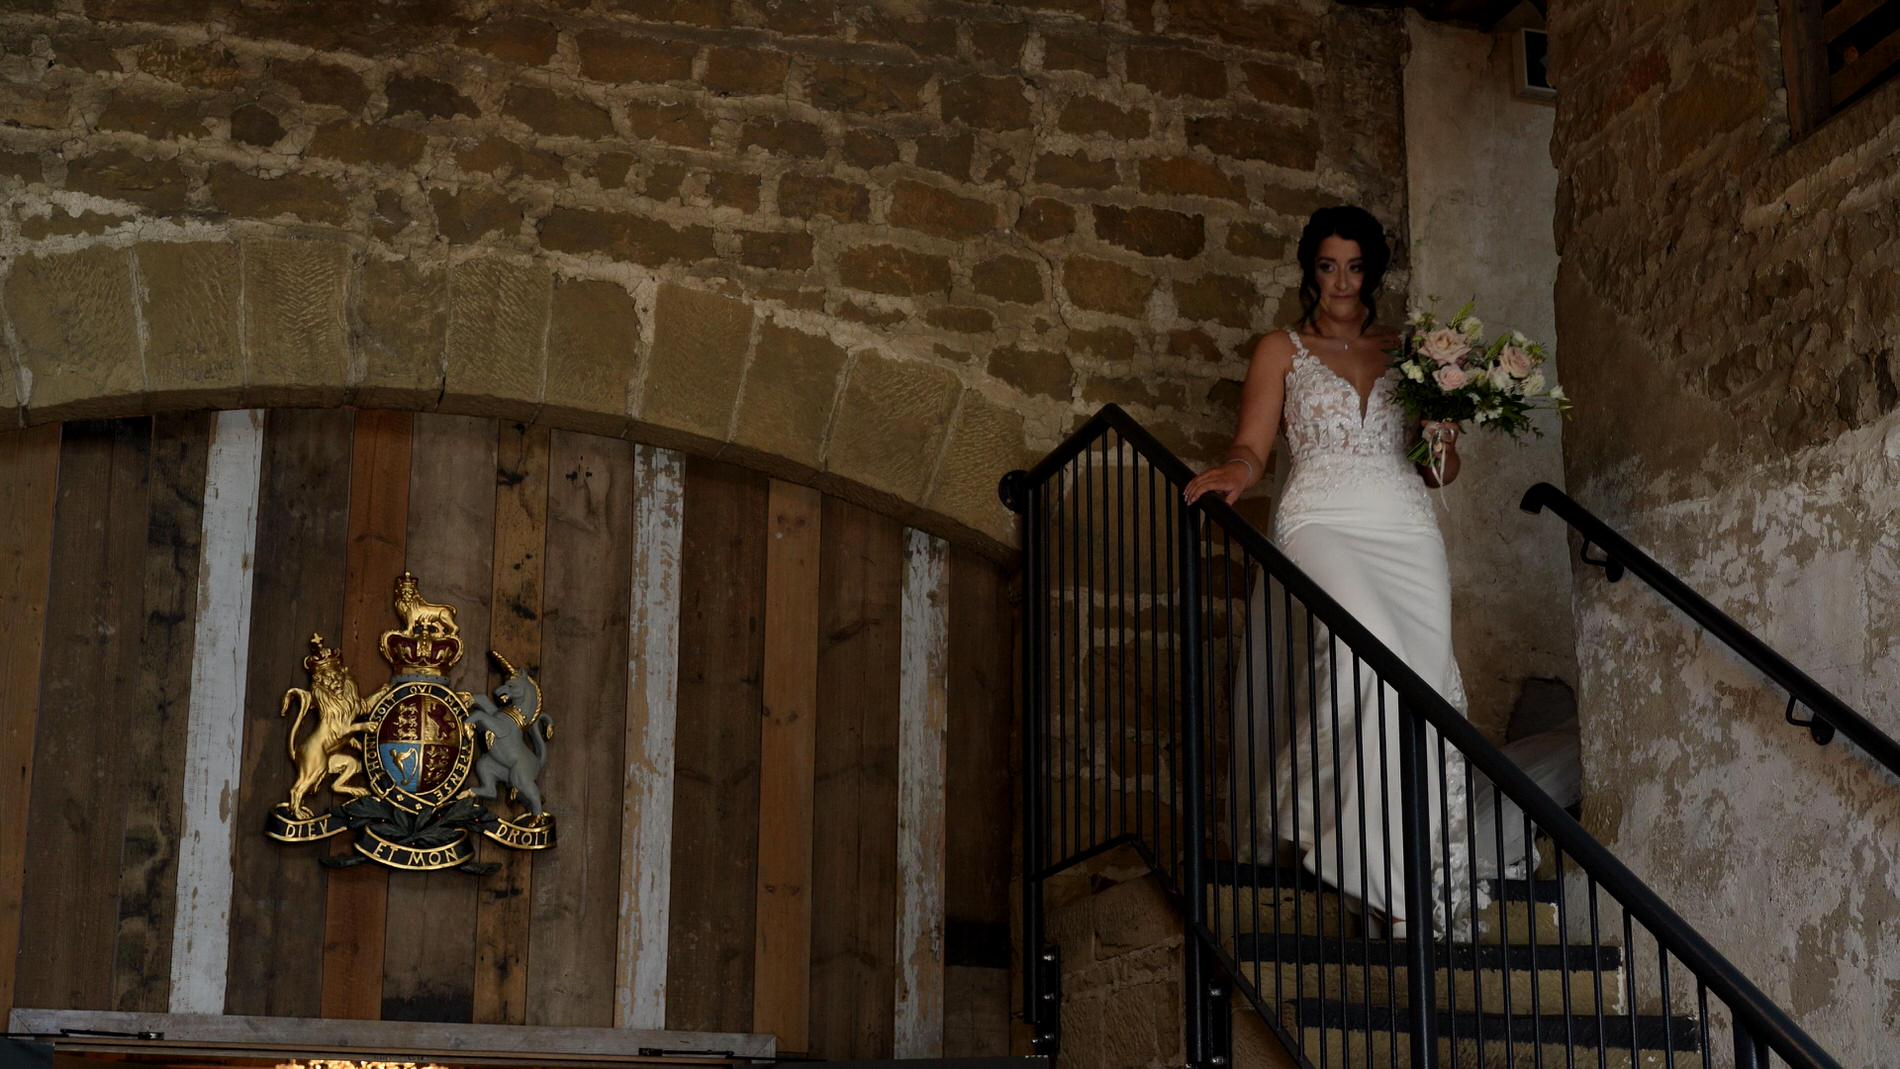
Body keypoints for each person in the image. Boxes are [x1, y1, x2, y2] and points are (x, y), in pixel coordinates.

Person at [1183, 204, 1474, 939]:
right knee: (1363, 652)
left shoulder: (1409, 352)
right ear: (1310, 270)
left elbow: (1439, 472)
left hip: (1406, 524)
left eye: (1353, 266)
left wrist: (1444, 427)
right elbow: (1253, 444)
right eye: (1326, 265)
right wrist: (1234, 473)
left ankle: (1390, 867)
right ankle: (1368, 870)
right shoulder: (1280, 349)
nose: (1340, 280)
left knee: (1422, 674)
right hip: (1319, 519)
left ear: (1370, 272)